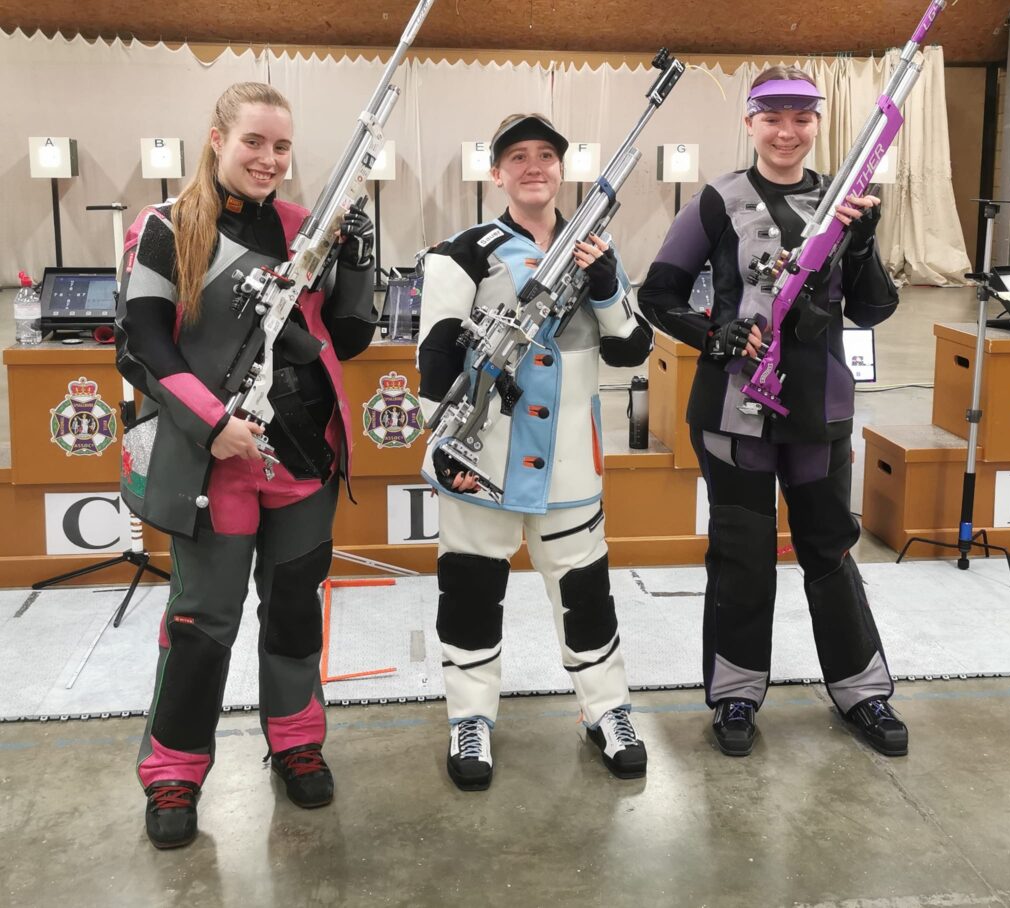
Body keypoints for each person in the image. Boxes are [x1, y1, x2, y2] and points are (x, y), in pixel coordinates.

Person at [116, 82, 377, 848]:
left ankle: (297, 741)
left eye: (282, 146)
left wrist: (360, 254)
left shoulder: (305, 227)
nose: (269, 159)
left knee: (296, 613)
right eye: (254, 142)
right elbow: (143, 343)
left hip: (302, 461)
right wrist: (212, 422)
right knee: (202, 624)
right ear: (217, 139)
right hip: (214, 465)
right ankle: (172, 770)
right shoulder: (166, 228)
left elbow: (351, 337)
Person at [637, 66, 909, 758]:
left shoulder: (846, 201)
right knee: (741, 556)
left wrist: (867, 238)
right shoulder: (717, 199)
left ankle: (861, 693)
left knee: (829, 549)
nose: (787, 131)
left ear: (818, 125)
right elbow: (658, 292)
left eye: (802, 117)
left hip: (819, 411)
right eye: (772, 116)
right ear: (750, 123)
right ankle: (735, 695)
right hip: (734, 411)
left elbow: (874, 308)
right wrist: (713, 332)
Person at [416, 113, 653, 790]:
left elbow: (634, 349)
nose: (532, 167)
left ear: (561, 170)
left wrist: (606, 285)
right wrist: (444, 447)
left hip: (572, 460)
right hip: (483, 456)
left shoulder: (594, 250)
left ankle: (606, 709)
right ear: (496, 173)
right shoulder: (461, 251)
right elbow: (434, 356)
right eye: (516, 157)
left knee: (585, 592)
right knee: (469, 589)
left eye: (545, 155)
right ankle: (470, 717)